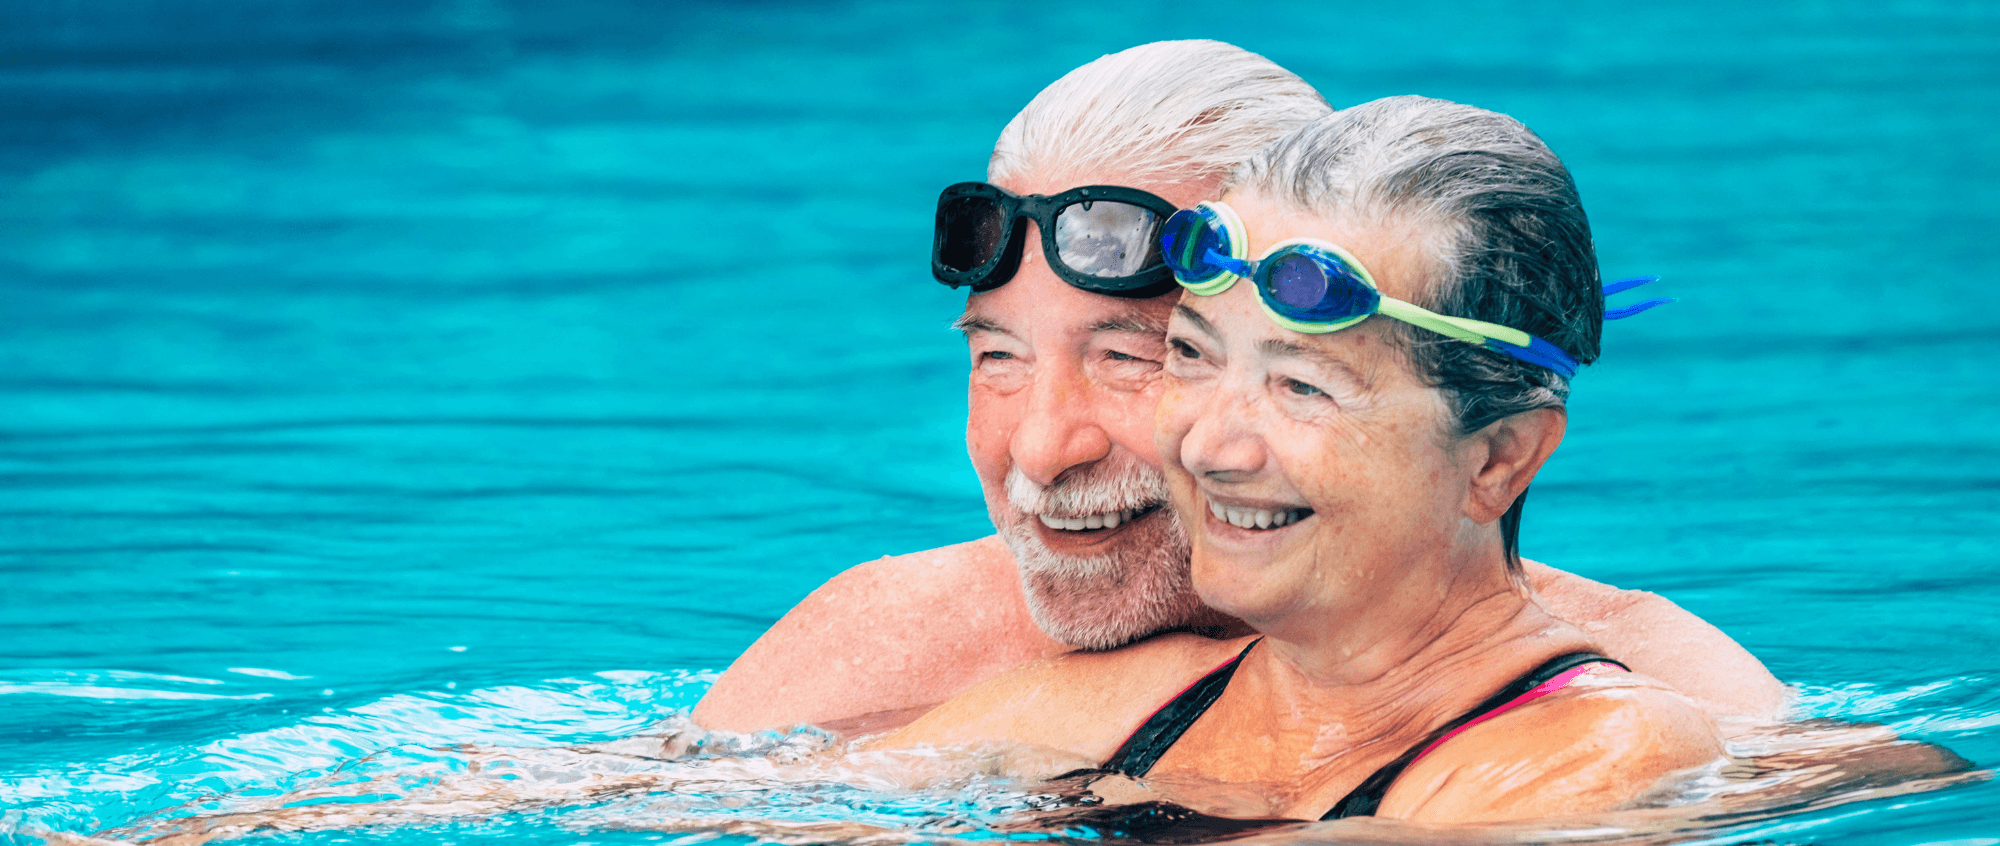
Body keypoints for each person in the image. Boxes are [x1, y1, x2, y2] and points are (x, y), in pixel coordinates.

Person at [692, 41, 1786, 735]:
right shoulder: (894, 643)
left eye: (1137, 355)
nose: (1038, 452)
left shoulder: (1641, 701)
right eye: (997, 359)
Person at [874, 95, 1728, 824]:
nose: (1209, 446)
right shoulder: (1094, 706)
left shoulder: (1602, 757)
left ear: (1498, 461)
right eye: (1192, 356)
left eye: (1303, 388)